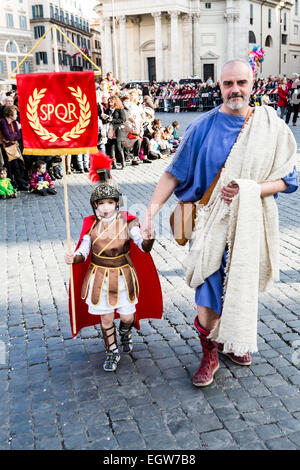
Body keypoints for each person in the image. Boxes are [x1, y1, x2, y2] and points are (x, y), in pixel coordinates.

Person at [141, 59, 298, 388]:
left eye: (241, 82)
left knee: (237, 287)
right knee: (208, 292)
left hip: (248, 224)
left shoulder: (271, 126)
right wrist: (150, 212)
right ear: (220, 86)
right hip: (210, 222)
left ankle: (230, 340)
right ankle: (209, 353)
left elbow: (289, 179)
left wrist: (250, 189)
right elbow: (173, 172)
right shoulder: (202, 126)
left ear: (252, 85)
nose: (235, 89)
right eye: (228, 84)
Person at [64, 153, 163, 372]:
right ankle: (112, 351)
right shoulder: (90, 226)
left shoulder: (128, 223)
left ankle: (126, 332)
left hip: (123, 276)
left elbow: (141, 245)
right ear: (95, 206)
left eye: (110, 202)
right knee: (106, 317)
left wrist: (148, 238)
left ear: (117, 203)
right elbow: (84, 249)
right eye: (101, 203)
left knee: (126, 316)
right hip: (99, 277)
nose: (106, 207)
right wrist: (75, 257)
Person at [0, 105, 28, 190]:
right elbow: (8, 136)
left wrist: (11, 138)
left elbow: (18, 136)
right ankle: (11, 185)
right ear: (10, 114)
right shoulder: (3, 122)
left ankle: (20, 184)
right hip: (4, 148)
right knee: (9, 167)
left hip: (13, 147)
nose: (17, 115)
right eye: (15, 114)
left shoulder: (14, 123)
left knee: (16, 166)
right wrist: (12, 137)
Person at [102, 96, 126, 169]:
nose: (110, 104)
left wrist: (112, 120)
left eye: (112, 102)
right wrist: (105, 118)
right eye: (109, 102)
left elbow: (123, 120)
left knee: (118, 147)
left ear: (116, 102)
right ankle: (114, 164)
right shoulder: (108, 110)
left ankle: (123, 163)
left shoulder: (120, 109)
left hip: (117, 130)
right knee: (111, 148)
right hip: (110, 130)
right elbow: (105, 120)